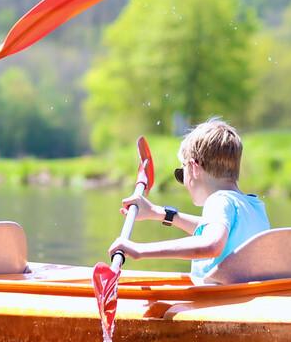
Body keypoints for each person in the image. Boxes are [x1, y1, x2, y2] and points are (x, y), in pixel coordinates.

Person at [107, 118, 269, 283]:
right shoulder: (254, 205)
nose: (182, 179)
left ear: (193, 167)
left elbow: (211, 244)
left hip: (220, 301)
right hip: (246, 296)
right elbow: (213, 229)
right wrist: (159, 213)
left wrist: (139, 250)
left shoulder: (218, 201)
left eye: (181, 171)